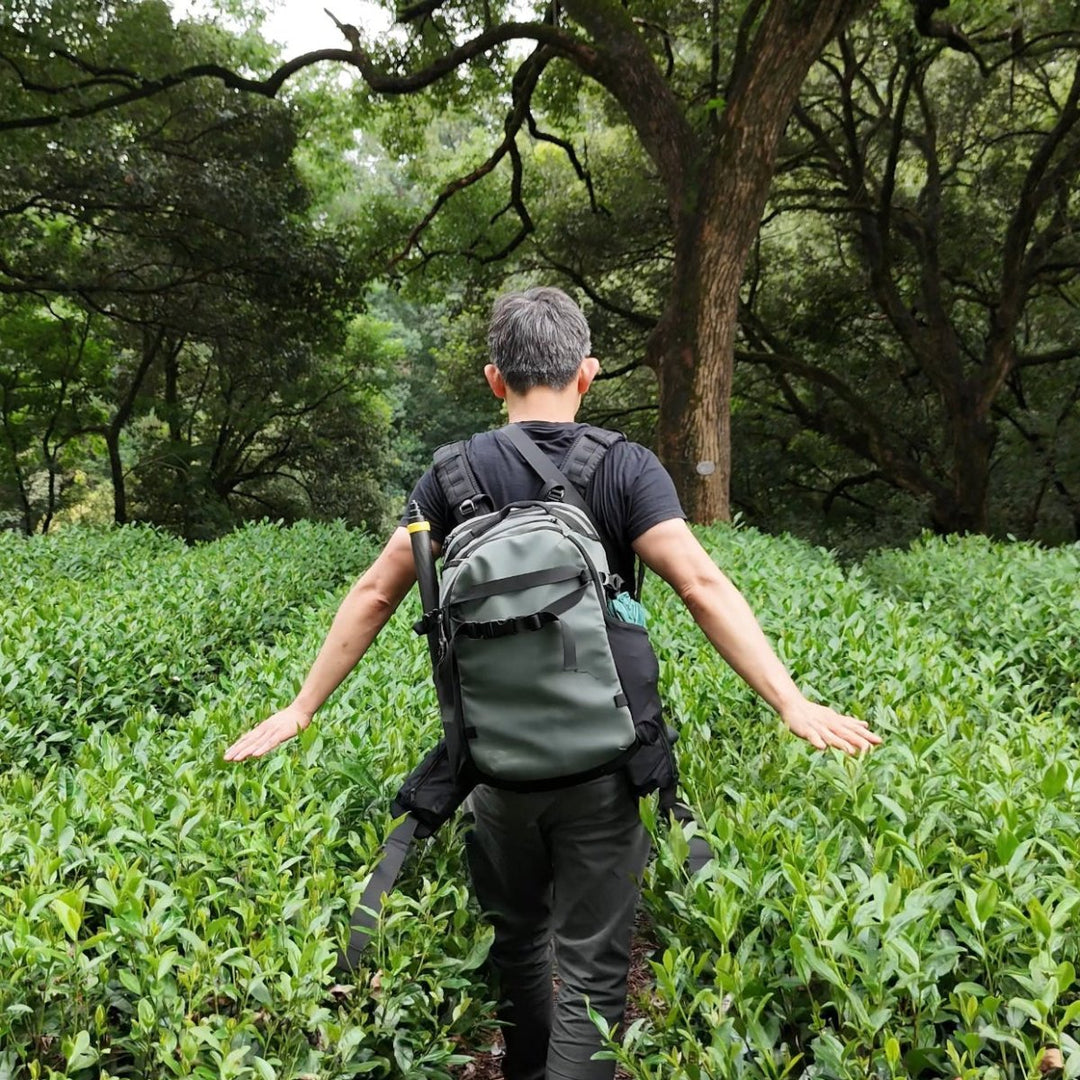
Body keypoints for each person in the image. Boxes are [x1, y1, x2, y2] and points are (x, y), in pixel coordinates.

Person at [224, 286, 880, 1079]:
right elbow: (701, 585)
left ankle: (525, 1069)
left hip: (495, 768)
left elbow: (372, 593)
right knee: (596, 972)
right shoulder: (625, 466)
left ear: (494, 378)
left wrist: (301, 707)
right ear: (588, 374)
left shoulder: (449, 476)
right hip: (606, 765)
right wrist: (790, 700)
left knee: (519, 943)